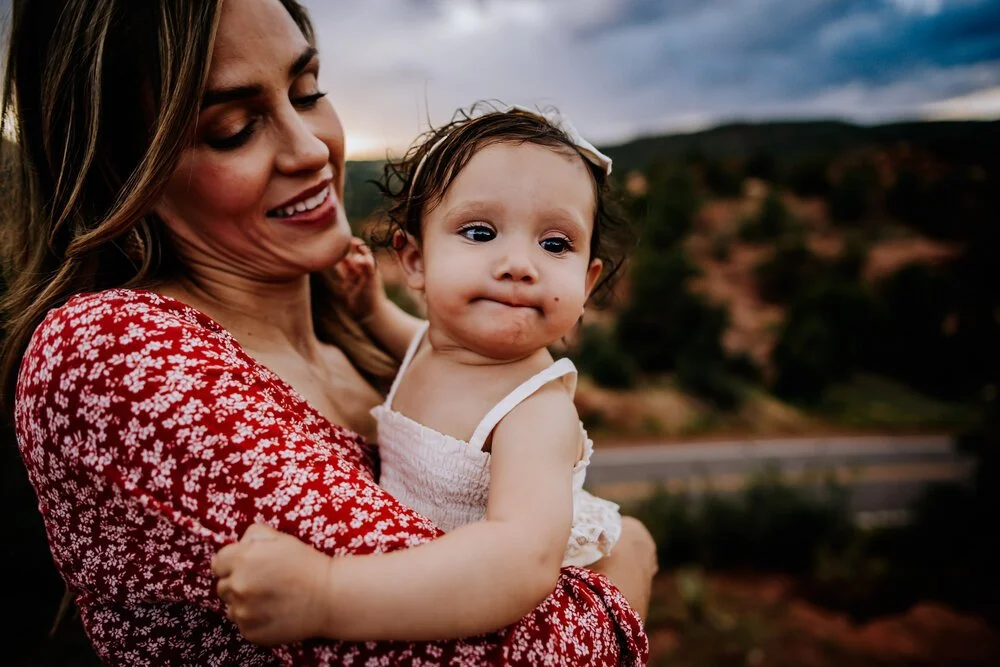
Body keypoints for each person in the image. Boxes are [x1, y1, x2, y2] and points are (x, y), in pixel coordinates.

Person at [0, 0, 656, 665]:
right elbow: (531, 653)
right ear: (124, 167)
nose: (312, 149)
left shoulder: (383, 346)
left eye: (308, 93)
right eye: (232, 128)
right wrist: (625, 572)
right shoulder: (120, 354)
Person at [211, 104, 639, 644]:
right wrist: (369, 309)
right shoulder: (442, 347)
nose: (519, 264)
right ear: (414, 260)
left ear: (588, 280)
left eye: (555, 244)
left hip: (475, 599)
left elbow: (520, 560)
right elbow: (408, 337)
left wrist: (328, 593)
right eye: (481, 232)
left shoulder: (535, 410)